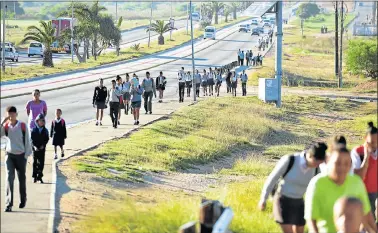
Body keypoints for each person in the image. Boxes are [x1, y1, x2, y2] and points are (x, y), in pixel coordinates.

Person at [305, 146, 377, 233]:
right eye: (337, 163)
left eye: (346, 163)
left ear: (350, 165)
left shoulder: (356, 182)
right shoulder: (317, 183)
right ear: (328, 161)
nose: (342, 168)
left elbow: (367, 214)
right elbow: (311, 219)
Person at [259, 143, 327, 233]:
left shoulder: (316, 169)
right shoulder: (290, 160)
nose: (317, 165)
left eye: (320, 164)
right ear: (310, 155)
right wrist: (263, 199)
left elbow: (319, 189)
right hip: (282, 201)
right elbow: (272, 179)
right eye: (316, 162)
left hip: (299, 202)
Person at [1, 106, 32, 212]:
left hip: (21, 156)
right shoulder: (6, 126)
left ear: (16, 114)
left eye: (13, 113)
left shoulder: (22, 126)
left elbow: (28, 141)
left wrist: (26, 156)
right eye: (9, 114)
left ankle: (23, 199)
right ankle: (8, 204)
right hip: (9, 155)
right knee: (9, 178)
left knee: (21, 179)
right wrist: (2, 122)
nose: (11, 115)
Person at [351, 122, 378, 219]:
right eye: (371, 142)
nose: (374, 145)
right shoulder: (357, 152)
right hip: (362, 194)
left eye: (376, 142)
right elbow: (358, 177)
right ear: (365, 138)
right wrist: (366, 158)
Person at [30, 113, 49, 184]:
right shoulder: (33, 130)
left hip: (42, 149)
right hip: (35, 149)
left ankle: (40, 176)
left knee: (41, 163)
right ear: (37, 121)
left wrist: (43, 145)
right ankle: (35, 176)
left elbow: (46, 139)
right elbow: (31, 140)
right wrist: (34, 146)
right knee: (35, 163)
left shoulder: (45, 130)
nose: (42, 122)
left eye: (43, 121)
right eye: (40, 121)